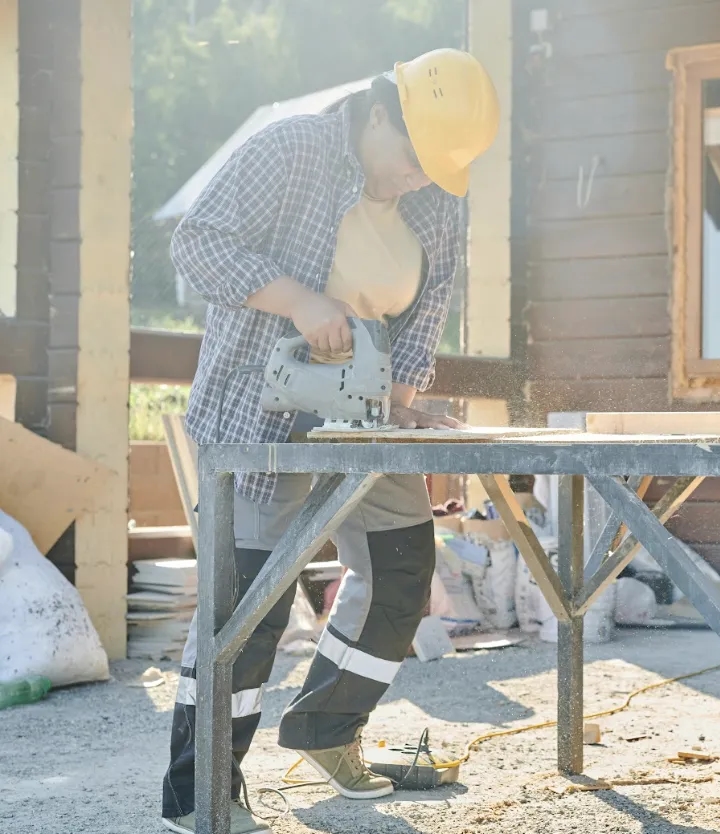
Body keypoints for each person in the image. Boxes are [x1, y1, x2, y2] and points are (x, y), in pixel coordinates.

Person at [158, 48, 499, 834]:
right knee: (249, 606)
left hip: (366, 417)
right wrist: (300, 301)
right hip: (261, 414)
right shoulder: (290, 150)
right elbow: (198, 245)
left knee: (403, 569)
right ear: (380, 113)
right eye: (411, 159)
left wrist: (407, 408)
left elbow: (423, 318)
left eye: (433, 170)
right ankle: (197, 791)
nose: (416, 178)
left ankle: (326, 726)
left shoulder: (438, 201)